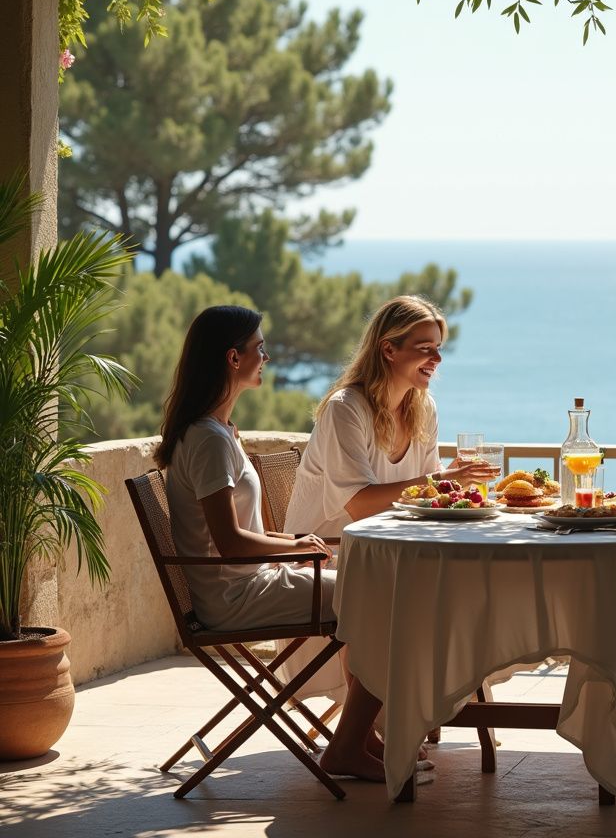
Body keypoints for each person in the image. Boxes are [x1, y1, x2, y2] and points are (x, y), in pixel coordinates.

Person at [155, 305, 383, 781]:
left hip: (248, 584)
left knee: (372, 593)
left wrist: (296, 540)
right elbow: (231, 543)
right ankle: (349, 745)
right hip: (236, 597)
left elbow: (238, 532)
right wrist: (299, 551)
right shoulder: (209, 440)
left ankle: (361, 736)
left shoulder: (216, 433)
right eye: (260, 347)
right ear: (233, 358)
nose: (267, 356)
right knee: (384, 602)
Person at [283, 295, 498, 779]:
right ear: (388, 349)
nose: (437, 360)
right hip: (328, 552)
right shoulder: (346, 409)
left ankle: (384, 729)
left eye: (439, 348)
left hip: (389, 548)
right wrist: (445, 479)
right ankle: (357, 741)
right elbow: (359, 503)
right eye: (425, 348)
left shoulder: (422, 407)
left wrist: (454, 488)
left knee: (463, 593)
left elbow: (424, 498)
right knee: (410, 603)